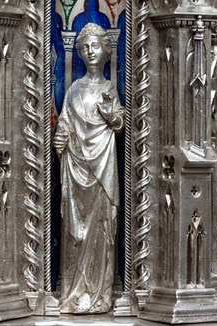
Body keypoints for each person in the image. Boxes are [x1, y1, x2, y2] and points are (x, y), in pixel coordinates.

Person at [54, 23, 125, 314]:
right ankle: (73, 291)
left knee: (103, 226)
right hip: (75, 167)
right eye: (84, 48)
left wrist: (111, 114)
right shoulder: (73, 90)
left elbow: (120, 123)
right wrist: (61, 136)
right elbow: (65, 123)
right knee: (75, 230)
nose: (90, 52)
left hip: (104, 168)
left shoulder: (109, 89)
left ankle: (100, 292)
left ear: (107, 51)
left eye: (95, 46)